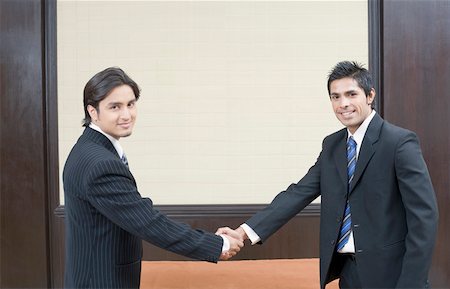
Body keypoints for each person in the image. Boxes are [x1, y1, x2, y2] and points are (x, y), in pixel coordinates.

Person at [218, 61, 439, 288]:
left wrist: (412, 283)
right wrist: (243, 233)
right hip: (349, 272)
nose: (343, 104)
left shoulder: (399, 142)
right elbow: (298, 193)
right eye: (336, 97)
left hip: (392, 274)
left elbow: (424, 218)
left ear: (370, 95)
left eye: (351, 94)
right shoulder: (332, 145)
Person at [63, 67, 243, 289]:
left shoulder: (86, 149)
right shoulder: (101, 164)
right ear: (93, 111)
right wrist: (218, 245)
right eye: (114, 107)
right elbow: (147, 222)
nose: (127, 115)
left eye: (130, 104)